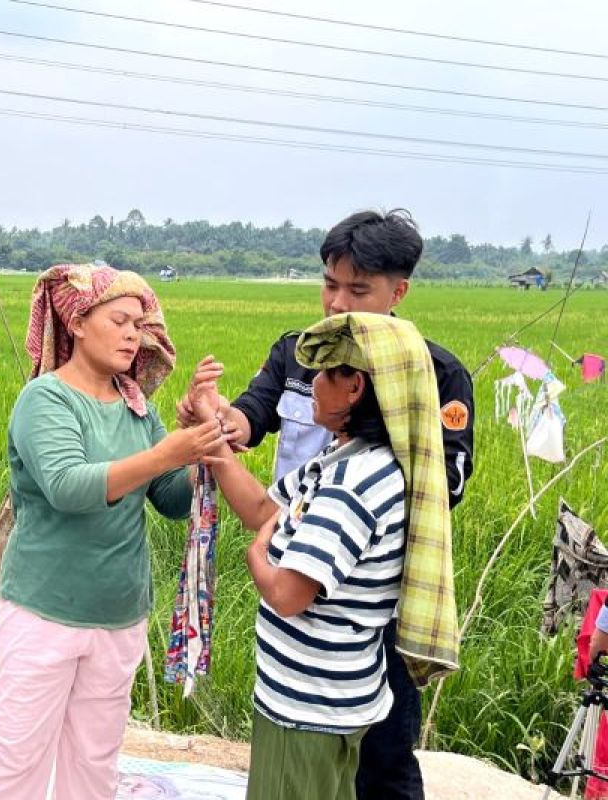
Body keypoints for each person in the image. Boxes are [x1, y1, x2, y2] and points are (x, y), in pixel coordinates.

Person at [179, 209, 474, 800]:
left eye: (358, 289)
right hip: (298, 569)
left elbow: (441, 488)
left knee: (383, 756)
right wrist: (215, 420)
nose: (338, 303)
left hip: (369, 595)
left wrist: (329, 523)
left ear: (399, 290)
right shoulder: (300, 351)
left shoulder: (433, 374)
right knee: (319, 763)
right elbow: (249, 416)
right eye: (330, 284)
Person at [0, 263, 222, 800]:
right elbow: (68, 487)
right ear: (79, 322)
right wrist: (164, 452)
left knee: (94, 765)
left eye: (140, 324)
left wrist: (201, 447)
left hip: (118, 614)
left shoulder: (137, 408)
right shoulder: (46, 400)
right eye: (121, 320)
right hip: (44, 612)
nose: (134, 334)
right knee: (15, 763)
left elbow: (171, 500)